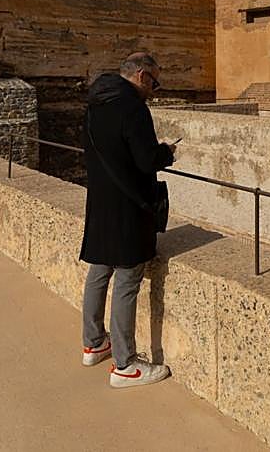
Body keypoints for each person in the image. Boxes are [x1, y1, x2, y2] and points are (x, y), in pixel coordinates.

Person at [79, 51, 176, 388]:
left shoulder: (96, 103)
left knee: (99, 270)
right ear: (141, 75)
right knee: (127, 280)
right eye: (154, 81)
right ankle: (126, 365)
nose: (155, 88)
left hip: (101, 202)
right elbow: (147, 160)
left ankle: (93, 344)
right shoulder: (133, 108)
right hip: (129, 207)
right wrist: (168, 152)